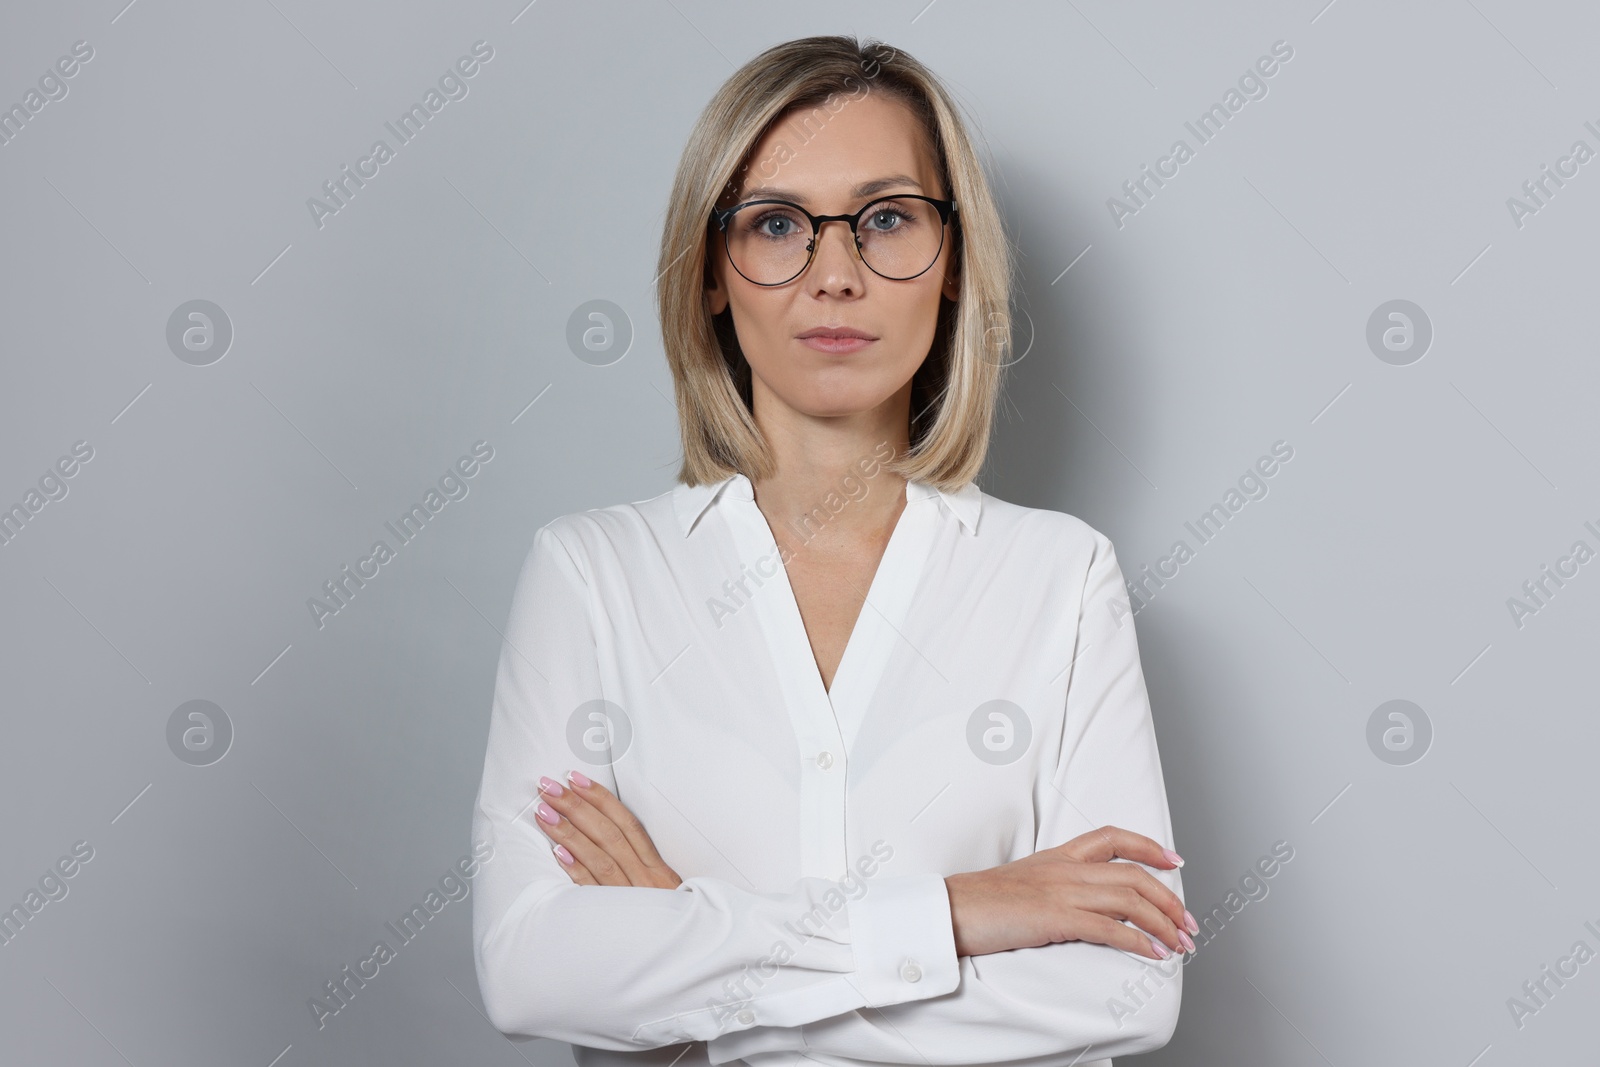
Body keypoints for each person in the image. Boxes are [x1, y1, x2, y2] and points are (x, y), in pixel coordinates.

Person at [470, 34, 1193, 1067]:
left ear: (953, 265)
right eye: (776, 225)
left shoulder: (1061, 577)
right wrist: (957, 913)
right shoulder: (592, 572)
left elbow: (1127, 983)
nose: (835, 274)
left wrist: (691, 956)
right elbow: (534, 967)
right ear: (713, 273)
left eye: (887, 218)